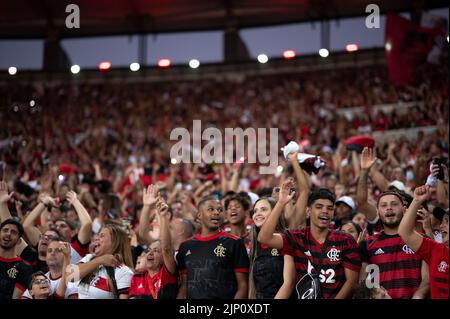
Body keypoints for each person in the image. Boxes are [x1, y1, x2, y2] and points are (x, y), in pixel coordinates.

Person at [258, 180, 361, 299]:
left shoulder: (346, 240)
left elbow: (351, 282)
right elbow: (264, 238)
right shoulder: (295, 237)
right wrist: (280, 203)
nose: (325, 211)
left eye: (330, 208)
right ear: (308, 211)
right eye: (319, 207)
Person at [357, 147, 430, 299]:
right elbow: (366, 284)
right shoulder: (368, 244)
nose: (389, 208)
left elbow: (427, 280)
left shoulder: (422, 240)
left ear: (405, 209)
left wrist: (418, 295)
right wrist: (364, 171)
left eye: (394, 204)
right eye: (383, 205)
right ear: (378, 212)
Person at [176, 195, 250, 299]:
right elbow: (184, 286)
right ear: (199, 216)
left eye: (220, 210)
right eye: (211, 209)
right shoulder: (185, 246)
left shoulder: (234, 242)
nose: (216, 212)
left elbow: (243, 285)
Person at [398, 185, 449, 299]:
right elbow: (404, 232)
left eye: (447, 221)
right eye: (442, 221)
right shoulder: (437, 250)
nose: (441, 226)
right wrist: (416, 201)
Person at [129, 187, 178, 299]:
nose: (150, 253)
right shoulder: (138, 277)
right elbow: (142, 233)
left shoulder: (166, 271)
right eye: (148, 250)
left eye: (156, 251)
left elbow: (166, 248)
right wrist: (146, 206)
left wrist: (163, 216)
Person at [249, 197, 295, 299]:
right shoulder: (255, 244)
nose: (258, 214)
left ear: (275, 213)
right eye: (255, 211)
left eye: (264, 209)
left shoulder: (286, 238)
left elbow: (289, 283)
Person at [76, 223, 134, 299]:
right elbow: (70, 276)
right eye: (97, 235)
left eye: (102, 235)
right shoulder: (89, 258)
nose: (96, 238)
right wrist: (100, 260)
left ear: (115, 242)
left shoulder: (123, 272)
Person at [0, 219, 32, 299]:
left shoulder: (24, 268)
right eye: (5, 230)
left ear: (19, 240)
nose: (8, 234)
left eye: (13, 232)